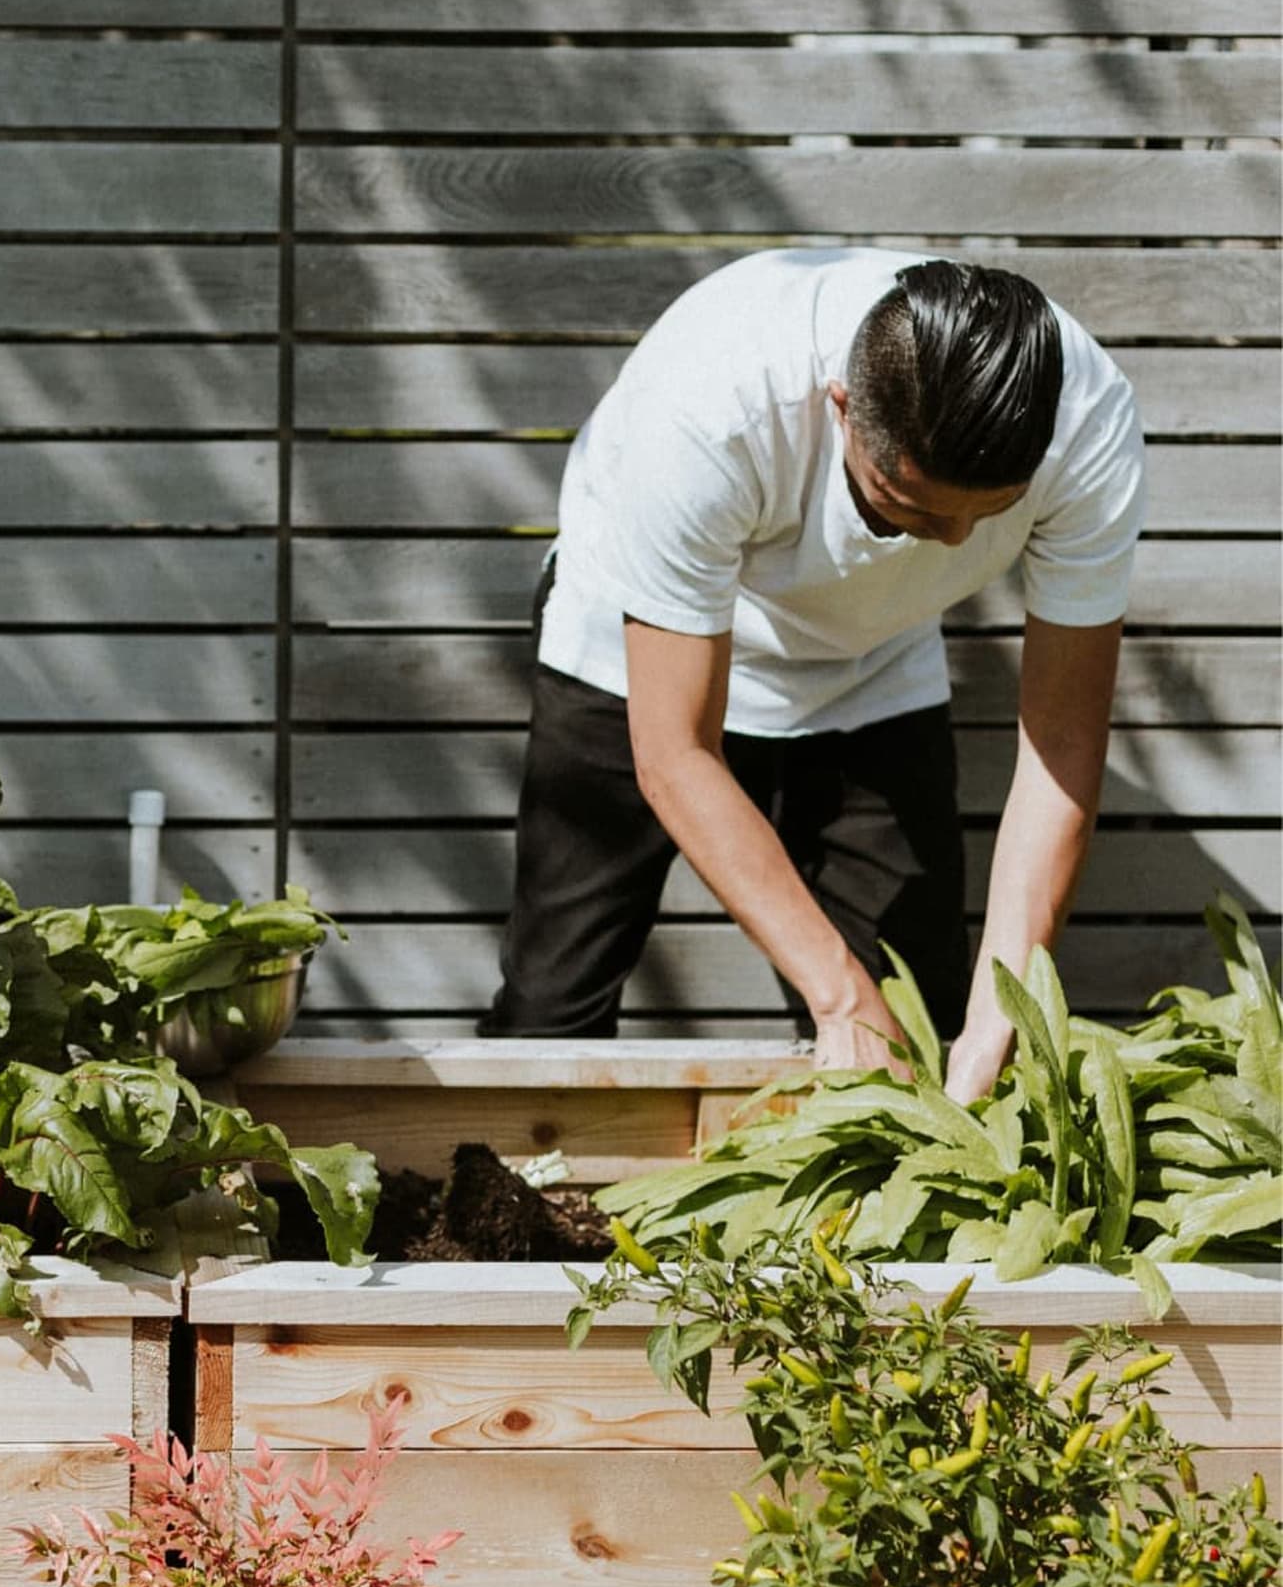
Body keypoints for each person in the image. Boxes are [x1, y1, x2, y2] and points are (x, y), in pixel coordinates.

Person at [478, 248, 1145, 1105]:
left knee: (920, 1024)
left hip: (872, 662)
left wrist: (1000, 1010)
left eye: (989, 515)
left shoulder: (1087, 423)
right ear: (841, 408)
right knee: (551, 1010)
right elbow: (675, 754)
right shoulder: (710, 406)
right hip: (632, 654)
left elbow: (1060, 741)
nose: (951, 543)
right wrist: (837, 998)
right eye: (908, 506)